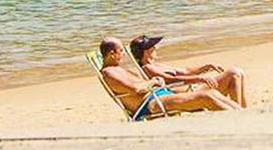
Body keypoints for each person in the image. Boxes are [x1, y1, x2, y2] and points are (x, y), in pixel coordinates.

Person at [97, 38, 240, 118]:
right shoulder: (109, 73)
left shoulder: (119, 69)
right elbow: (135, 88)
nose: (123, 54)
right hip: (151, 105)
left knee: (212, 93)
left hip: (161, 95)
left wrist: (153, 82)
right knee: (206, 97)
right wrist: (153, 81)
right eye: (121, 51)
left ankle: (242, 115)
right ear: (112, 54)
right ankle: (237, 119)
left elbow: (141, 84)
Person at [130, 35, 246, 107]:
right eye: (152, 47)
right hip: (189, 93)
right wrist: (198, 79)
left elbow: (185, 71)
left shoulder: (156, 65)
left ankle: (241, 109)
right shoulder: (147, 68)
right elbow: (171, 79)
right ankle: (239, 111)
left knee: (237, 74)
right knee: (234, 73)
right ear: (145, 52)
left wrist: (205, 67)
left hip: (195, 88)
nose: (155, 48)